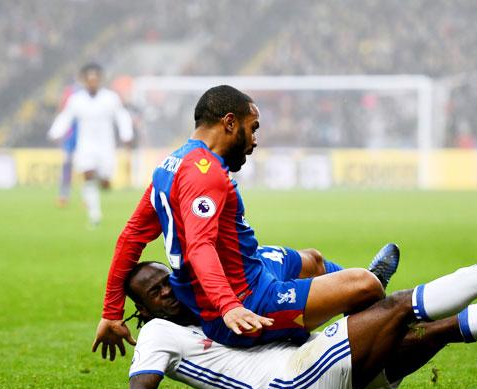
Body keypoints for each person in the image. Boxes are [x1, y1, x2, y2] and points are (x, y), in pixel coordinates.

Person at [123, 215, 477, 389]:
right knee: (398, 307)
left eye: (167, 280)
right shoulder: (159, 333)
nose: (167, 291)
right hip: (288, 385)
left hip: (310, 364)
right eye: (154, 291)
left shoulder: (214, 301)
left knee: (434, 332)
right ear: (141, 310)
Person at [93, 85, 410, 356]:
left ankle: (368, 305)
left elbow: (131, 236)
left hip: (252, 267)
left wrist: (111, 313)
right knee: (364, 284)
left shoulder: (172, 164)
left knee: (313, 259)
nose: (255, 140)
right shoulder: (205, 174)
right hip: (249, 298)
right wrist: (229, 306)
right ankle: (381, 316)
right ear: (230, 123)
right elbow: (199, 247)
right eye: (253, 127)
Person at [48, 63, 134, 226]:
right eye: (89, 80)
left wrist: (126, 134)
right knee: (88, 175)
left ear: (100, 80)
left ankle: (104, 180)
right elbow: (66, 117)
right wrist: (55, 132)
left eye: (95, 80)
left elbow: (121, 116)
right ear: (84, 81)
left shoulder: (110, 98)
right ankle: (95, 216)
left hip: (106, 146)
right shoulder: (77, 100)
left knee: (104, 182)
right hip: (86, 145)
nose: (92, 83)